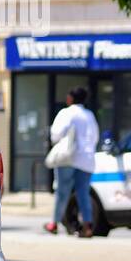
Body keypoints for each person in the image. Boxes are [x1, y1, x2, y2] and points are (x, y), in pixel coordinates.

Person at [45, 86, 100, 237]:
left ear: (70, 99)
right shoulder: (90, 115)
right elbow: (95, 138)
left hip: (68, 158)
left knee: (62, 192)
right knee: (83, 193)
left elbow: (56, 134)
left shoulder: (66, 113)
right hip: (87, 159)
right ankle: (88, 225)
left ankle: (54, 223)